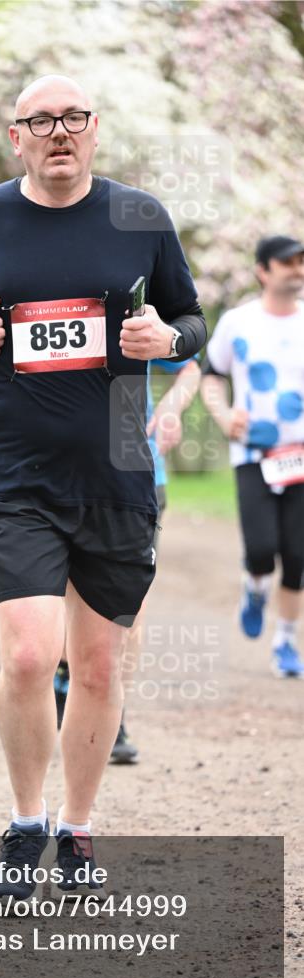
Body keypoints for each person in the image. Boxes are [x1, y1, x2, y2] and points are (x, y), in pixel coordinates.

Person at [0, 74, 206, 903]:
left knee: (101, 666)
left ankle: (77, 828)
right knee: (31, 655)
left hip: (113, 466)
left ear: (94, 128)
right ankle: (25, 820)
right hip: (9, 469)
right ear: (15, 138)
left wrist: (164, 332)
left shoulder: (139, 216)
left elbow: (191, 319)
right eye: (39, 122)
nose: (58, 133)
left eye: (72, 118)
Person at [55, 357, 202, 763]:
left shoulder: (137, 301)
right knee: (68, 603)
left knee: (126, 608)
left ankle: (112, 711)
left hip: (136, 472)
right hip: (58, 475)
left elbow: (190, 368)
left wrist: (171, 407)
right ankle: (65, 677)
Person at [201, 235, 304, 678]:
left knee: (297, 556)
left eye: (302, 262)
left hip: (301, 457)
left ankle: (285, 641)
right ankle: (255, 588)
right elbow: (211, 376)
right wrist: (224, 416)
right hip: (253, 455)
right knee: (262, 550)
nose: (297, 269)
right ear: (263, 270)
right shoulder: (238, 322)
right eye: (287, 263)